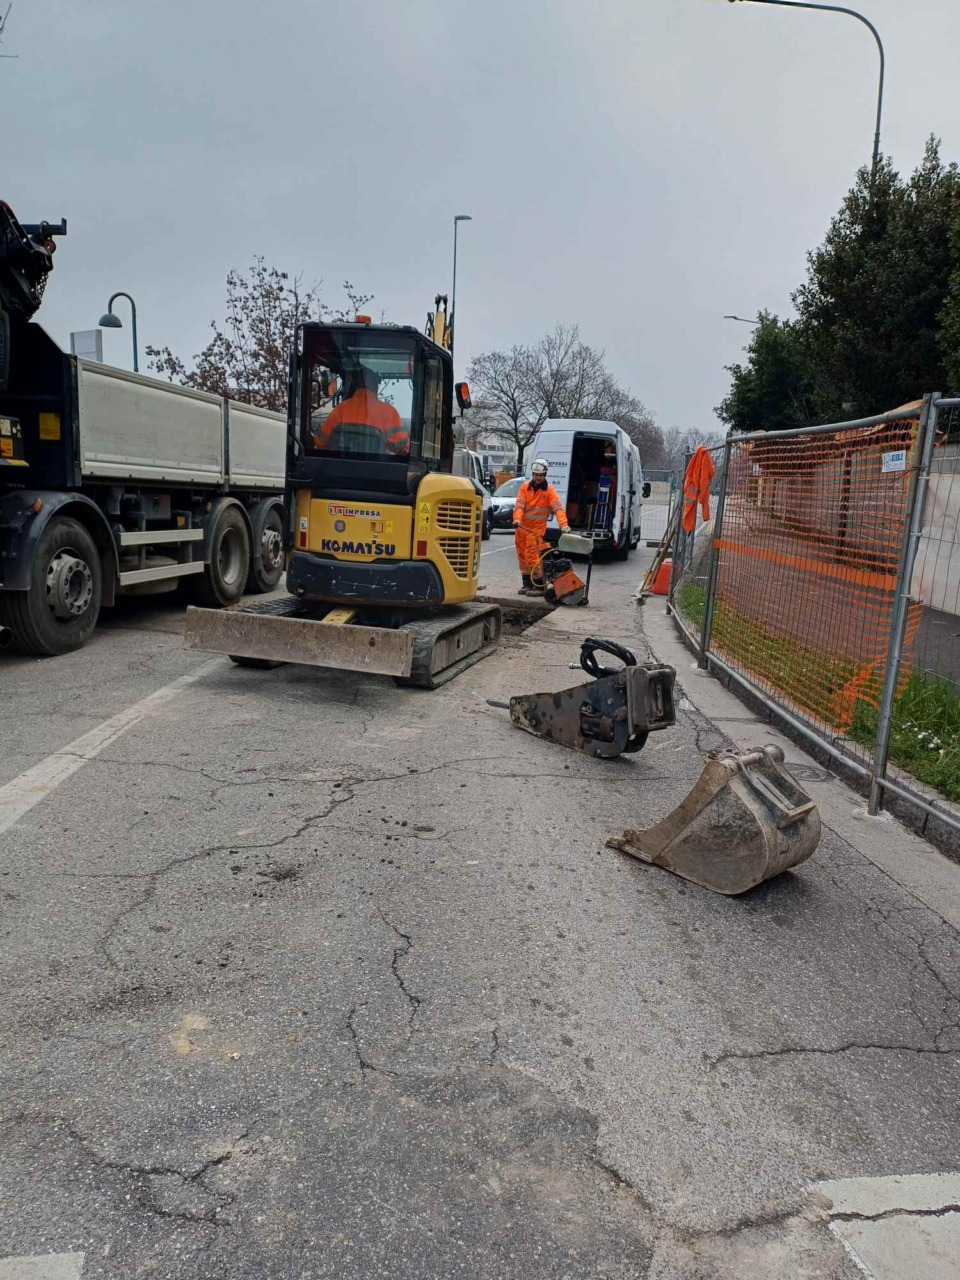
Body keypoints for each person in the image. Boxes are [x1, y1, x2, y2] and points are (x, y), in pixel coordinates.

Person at [312, 366, 410, 456]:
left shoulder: (339, 410)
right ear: (375, 386)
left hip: (339, 470)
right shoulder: (389, 412)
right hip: (378, 472)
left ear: (353, 386)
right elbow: (404, 449)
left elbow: (320, 443)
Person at [513, 459, 569, 594]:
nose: (538, 477)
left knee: (532, 556)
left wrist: (564, 525)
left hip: (535, 530)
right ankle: (527, 584)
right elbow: (519, 506)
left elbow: (558, 509)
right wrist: (517, 519)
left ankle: (539, 586)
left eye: (541, 475)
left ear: (545, 475)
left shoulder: (549, 491)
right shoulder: (525, 488)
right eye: (536, 475)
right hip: (521, 528)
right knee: (522, 556)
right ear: (532, 474)